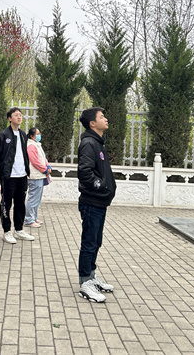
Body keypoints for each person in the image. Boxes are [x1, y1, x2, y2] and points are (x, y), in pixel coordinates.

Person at [77, 107, 117, 303]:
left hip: (100, 202)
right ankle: (85, 282)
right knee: (89, 242)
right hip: (92, 201)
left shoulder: (98, 142)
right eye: (102, 117)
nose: (106, 119)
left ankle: (91, 276)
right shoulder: (89, 143)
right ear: (92, 123)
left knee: (96, 241)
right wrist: (101, 186)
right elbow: (84, 172)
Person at [0, 107, 34, 243]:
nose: (19, 117)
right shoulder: (3, 135)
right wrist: (2, 171)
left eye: (20, 115)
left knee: (20, 204)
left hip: (22, 176)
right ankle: (7, 231)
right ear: (9, 118)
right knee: (6, 204)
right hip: (9, 176)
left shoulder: (23, 134)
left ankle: (19, 229)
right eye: (16, 115)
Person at [24, 127, 51, 227]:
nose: (39, 135)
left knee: (37, 199)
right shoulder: (31, 146)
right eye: (37, 134)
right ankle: (29, 219)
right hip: (35, 176)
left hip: (40, 175)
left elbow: (43, 158)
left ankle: (34, 217)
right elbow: (35, 161)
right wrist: (45, 170)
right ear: (32, 136)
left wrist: (48, 167)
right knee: (33, 198)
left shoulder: (37, 144)